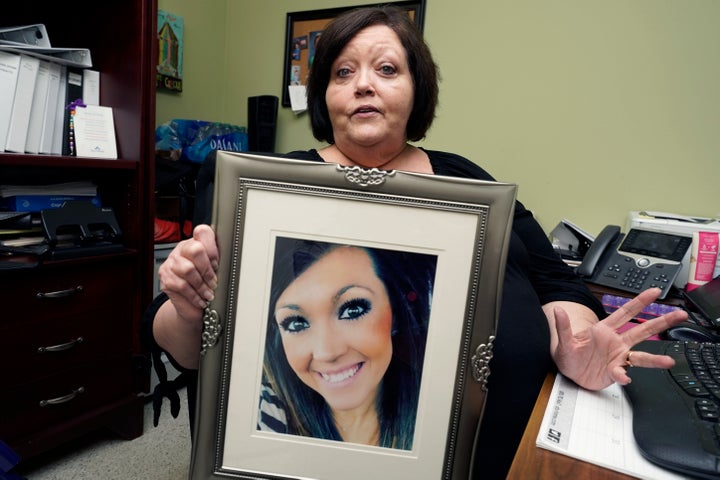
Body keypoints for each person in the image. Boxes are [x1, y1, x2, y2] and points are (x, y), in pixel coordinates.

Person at [143, 5, 687, 478]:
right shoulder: (264, 192)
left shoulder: (470, 183)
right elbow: (188, 349)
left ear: (416, 91)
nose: (363, 84)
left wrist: (577, 338)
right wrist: (188, 306)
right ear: (324, 95)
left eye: (386, 69)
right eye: (342, 72)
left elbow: (556, 280)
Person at [258, 237, 436, 449]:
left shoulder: (441, 418)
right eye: (296, 324)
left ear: (395, 313)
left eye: (352, 310)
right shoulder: (262, 411)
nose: (326, 352)